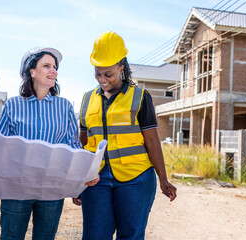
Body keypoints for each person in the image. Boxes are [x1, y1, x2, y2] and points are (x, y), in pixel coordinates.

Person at [0, 47, 99, 240]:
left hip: (52, 190)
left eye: (55, 67)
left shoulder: (65, 107)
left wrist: (84, 175)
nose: (53, 70)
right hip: (15, 188)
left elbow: (73, 148)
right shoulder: (13, 105)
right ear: (32, 72)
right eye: (46, 66)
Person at [74, 31, 177, 240]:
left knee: (130, 236)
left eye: (108, 74)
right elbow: (82, 143)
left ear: (121, 68)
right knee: (94, 236)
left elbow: (152, 141)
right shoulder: (87, 99)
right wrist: (76, 182)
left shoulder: (140, 97)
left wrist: (163, 179)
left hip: (136, 179)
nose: (102, 79)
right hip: (96, 180)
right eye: (97, 73)